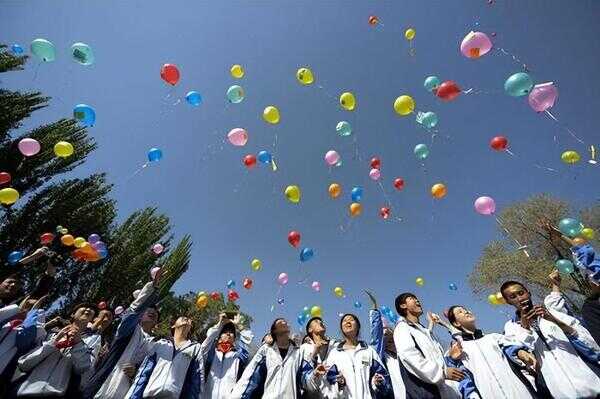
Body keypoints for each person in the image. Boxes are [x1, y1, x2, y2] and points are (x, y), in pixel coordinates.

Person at [501, 279, 600, 398]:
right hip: (559, 392)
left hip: (592, 383)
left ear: (528, 292)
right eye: (513, 297)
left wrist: (553, 319)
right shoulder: (511, 327)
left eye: (521, 293)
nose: (520, 298)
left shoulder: (554, 312)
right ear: (508, 302)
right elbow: (520, 356)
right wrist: (525, 327)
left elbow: (586, 340)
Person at [82, 274, 161, 399]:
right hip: (100, 390)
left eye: (156, 312)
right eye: (149, 309)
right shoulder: (129, 329)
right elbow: (133, 312)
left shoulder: (157, 344)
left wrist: (135, 372)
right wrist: (151, 289)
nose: (153, 311)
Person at [444, 305, 538, 399]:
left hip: (518, 391)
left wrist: (520, 352)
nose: (466, 312)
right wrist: (452, 359)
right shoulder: (459, 349)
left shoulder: (494, 337)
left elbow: (511, 348)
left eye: (466, 309)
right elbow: (460, 377)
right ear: (456, 323)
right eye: (460, 312)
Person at [12, 302, 99, 397]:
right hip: (22, 391)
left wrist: (78, 343)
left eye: (92, 310)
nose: (88, 310)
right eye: (84, 307)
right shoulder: (50, 333)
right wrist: (54, 342)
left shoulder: (94, 339)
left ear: (92, 319)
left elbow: (84, 368)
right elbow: (24, 363)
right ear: (73, 314)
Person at [393, 292, 462, 399]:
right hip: (424, 393)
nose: (417, 301)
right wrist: (442, 373)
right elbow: (410, 357)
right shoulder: (402, 328)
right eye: (412, 298)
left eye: (417, 298)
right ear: (403, 306)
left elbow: (435, 357)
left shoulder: (425, 332)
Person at [124, 315, 203, 399]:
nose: (186, 319)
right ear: (173, 326)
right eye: (181, 317)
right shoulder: (161, 344)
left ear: (191, 328)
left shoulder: (195, 348)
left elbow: (196, 382)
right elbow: (144, 374)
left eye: (189, 320)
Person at [231, 318, 312, 399]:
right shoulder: (266, 350)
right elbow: (250, 374)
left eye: (285, 322)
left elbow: (306, 378)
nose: (283, 322)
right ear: (274, 331)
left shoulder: (299, 352)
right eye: (279, 322)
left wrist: (315, 375)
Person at [325, 313, 392, 398]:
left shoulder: (369, 351)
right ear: (341, 328)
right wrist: (338, 382)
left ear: (358, 327)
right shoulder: (334, 353)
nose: (348, 322)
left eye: (351, 320)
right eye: (344, 321)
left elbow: (382, 374)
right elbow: (328, 378)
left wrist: (378, 381)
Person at [367, 291, 407, 399]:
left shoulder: (405, 355)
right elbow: (376, 338)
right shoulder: (381, 358)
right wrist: (375, 311)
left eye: (390, 332)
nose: (387, 334)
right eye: (384, 333)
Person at [202, 313, 251, 399]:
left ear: (234, 339)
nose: (228, 334)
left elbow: (249, 345)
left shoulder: (239, 356)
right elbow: (208, 339)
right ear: (219, 337)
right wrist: (220, 324)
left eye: (231, 332)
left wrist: (240, 326)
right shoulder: (210, 353)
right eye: (225, 332)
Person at [301, 316, 336, 399]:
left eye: (321, 321)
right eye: (316, 321)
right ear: (310, 330)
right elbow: (304, 379)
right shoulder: (304, 348)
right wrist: (314, 354)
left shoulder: (335, 346)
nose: (320, 322)